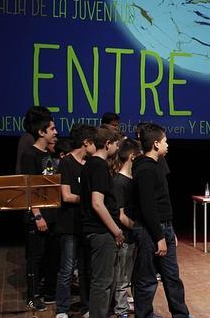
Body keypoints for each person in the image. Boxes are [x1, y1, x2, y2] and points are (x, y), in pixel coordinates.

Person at [131, 123, 191, 318]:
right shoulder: (144, 169)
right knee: (147, 279)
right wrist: (159, 236)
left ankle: (180, 314)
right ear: (156, 144)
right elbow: (148, 207)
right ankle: (144, 315)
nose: (168, 144)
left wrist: (168, 231)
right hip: (150, 231)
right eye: (165, 141)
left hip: (164, 226)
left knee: (172, 277)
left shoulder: (157, 165)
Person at [80, 126, 124, 318]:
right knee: (102, 283)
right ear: (107, 144)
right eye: (116, 144)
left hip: (97, 231)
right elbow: (97, 204)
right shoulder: (98, 166)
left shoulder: (90, 164)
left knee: (104, 282)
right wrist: (116, 231)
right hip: (101, 232)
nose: (117, 148)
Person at [54, 124, 97, 318]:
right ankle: (62, 309)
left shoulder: (89, 163)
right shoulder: (67, 163)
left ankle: (87, 306)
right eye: (93, 143)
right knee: (67, 269)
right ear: (86, 143)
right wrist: (89, 199)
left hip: (86, 224)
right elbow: (66, 195)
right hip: (69, 225)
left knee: (86, 268)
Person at [20, 109, 59, 310]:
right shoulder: (30, 155)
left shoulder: (48, 154)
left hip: (52, 214)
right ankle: (33, 296)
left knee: (49, 257)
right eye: (52, 128)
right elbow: (29, 189)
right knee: (35, 258)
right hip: (37, 216)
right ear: (41, 132)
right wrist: (37, 215)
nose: (55, 132)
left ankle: (45, 292)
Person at [110, 138, 141, 318]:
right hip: (127, 237)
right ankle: (121, 310)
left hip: (136, 237)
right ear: (131, 157)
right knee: (122, 278)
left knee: (137, 276)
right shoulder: (119, 182)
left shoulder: (134, 179)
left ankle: (140, 308)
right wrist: (138, 228)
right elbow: (121, 216)